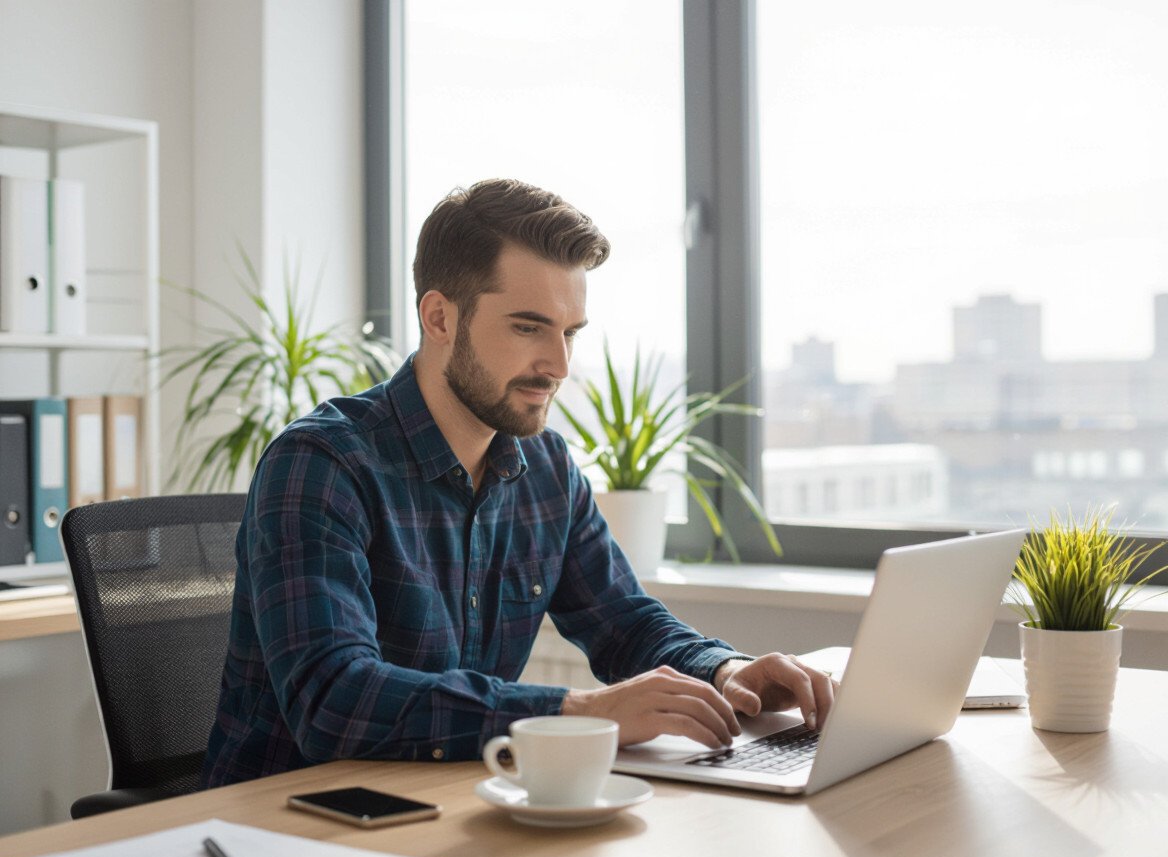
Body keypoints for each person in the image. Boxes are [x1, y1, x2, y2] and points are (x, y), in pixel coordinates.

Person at [200, 178, 836, 788]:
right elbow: (334, 699)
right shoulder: (322, 464)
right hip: (284, 822)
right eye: (529, 327)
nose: (559, 365)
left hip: (447, 802)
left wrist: (727, 670)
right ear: (439, 317)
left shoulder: (547, 468)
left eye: (570, 333)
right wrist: (579, 713)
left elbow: (624, 623)